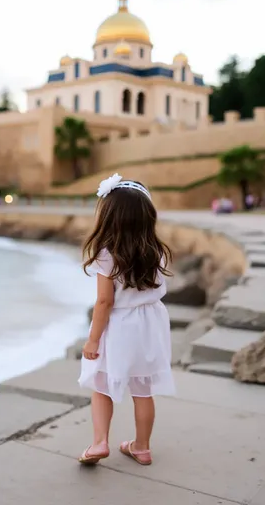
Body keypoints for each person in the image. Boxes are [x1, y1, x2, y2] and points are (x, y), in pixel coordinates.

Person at [78, 174, 175, 466]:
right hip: (150, 325)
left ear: (109, 217)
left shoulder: (107, 255)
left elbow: (105, 302)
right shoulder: (156, 251)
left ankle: (99, 442)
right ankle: (142, 447)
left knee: (101, 383)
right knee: (142, 390)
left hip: (118, 327)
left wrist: (93, 339)